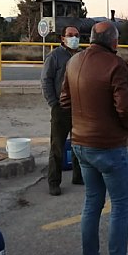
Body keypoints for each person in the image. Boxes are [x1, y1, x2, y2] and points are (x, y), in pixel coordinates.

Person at [60, 21, 128, 255]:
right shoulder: (116, 64)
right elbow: (124, 107)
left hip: (80, 144)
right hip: (109, 146)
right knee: (121, 207)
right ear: (114, 41)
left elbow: (64, 100)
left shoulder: (74, 61)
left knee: (92, 203)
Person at [40, 26, 83, 196]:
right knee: (57, 146)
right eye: (70, 35)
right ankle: (54, 182)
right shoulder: (54, 57)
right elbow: (46, 81)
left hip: (79, 108)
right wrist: (54, 104)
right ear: (62, 38)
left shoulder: (81, 56)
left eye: (77, 35)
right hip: (61, 108)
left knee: (79, 144)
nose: (74, 38)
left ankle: (78, 176)